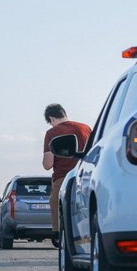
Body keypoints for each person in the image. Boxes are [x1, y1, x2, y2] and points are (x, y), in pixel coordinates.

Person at [42, 103, 92, 247]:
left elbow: (47, 165)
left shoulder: (52, 133)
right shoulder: (86, 128)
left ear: (51, 118)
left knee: (57, 204)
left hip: (63, 178)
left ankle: (58, 235)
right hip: (86, 176)